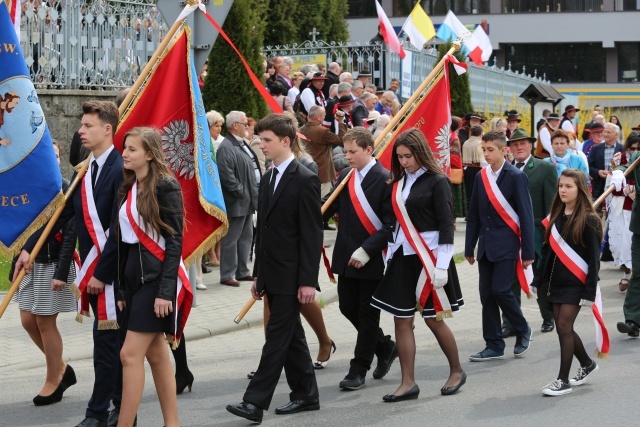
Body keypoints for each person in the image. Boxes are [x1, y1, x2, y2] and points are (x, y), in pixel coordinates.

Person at [15, 101, 125, 427]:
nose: (81, 130)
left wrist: (101, 276)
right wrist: (29, 250)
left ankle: (105, 413)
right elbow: (64, 215)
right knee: (113, 349)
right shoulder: (87, 169)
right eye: (81, 125)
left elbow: (121, 231)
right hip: (100, 275)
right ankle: (116, 410)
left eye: (88, 125)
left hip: (115, 276)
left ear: (107, 129)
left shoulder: (120, 170)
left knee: (123, 350)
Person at [226, 114, 323, 424]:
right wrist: (259, 275)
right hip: (273, 273)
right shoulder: (268, 177)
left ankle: (254, 402)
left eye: (266, 140)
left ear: (286, 140)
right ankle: (306, 394)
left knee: (277, 336)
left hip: (294, 275)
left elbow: (311, 235)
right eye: (260, 139)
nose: (261, 145)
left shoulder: (305, 178)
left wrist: (308, 280)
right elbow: (264, 233)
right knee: (291, 336)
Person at [371, 129, 465, 402]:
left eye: (408, 156)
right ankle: (408, 382)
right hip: (403, 256)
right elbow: (395, 222)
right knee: (401, 320)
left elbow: (447, 225)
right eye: (399, 157)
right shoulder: (397, 183)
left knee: (434, 320)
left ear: (420, 152)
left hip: (431, 259)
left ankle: (457, 371)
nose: (403, 162)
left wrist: (443, 265)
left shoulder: (437, 181)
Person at [116, 127, 190, 427]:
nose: (125, 153)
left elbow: (174, 242)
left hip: (155, 276)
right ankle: (172, 423)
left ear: (149, 153)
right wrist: (120, 288)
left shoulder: (165, 186)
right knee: (157, 356)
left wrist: (165, 290)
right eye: (125, 148)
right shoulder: (129, 186)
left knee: (129, 355)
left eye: (132, 149)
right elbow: (122, 242)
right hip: (133, 275)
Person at [322, 128, 397, 391]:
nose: (348, 156)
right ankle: (385, 346)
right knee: (347, 308)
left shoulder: (386, 179)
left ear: (368, 149)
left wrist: (368, 250)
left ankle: (359, 368)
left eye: (353, 151)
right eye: (346, 151)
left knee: (367, 314)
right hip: (345, 255)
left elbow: (391, 225)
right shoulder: (345, 176)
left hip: (372, 258)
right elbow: (328, 206)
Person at [12, 140, 77, 406]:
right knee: (28, 321)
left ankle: (54, 380)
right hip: (29, 264)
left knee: (44, 322)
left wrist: (61, 272)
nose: (53, 159)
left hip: (52, 262)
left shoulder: (62, 189)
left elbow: (68, 231)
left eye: (57, 155)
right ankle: (62, 367)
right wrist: (20, 255)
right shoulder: (26, 189)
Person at [465, 131, 534, 362]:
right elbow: (473, 214)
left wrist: (528, 251)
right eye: (483, 150)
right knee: (486, 295)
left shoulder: (515, 176)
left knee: (501, 290)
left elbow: (526, 215)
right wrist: (468, 247)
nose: (485, 154)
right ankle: (493, 344)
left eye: (490, 150)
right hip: (485, 246)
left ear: (503, 150)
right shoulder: (480, 177)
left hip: (507, 244)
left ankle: (522, 328)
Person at [535, 169, 601, 396]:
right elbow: (548, 252)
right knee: (565, 329)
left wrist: (590, 292)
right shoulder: (555, 216)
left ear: (579, 190)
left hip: (577, 283)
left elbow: (593, 260)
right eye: (561, 186)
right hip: (557, 283)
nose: (563, 190)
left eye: (568, 186)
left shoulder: (590, 220)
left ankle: (562, 380)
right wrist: (538, 279)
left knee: (563, 326)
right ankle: (587, 364)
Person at [501, 129, 557, 336]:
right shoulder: (504, 169)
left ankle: (548, 316)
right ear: (509, 148)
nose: (519, 147)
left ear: (531, 145)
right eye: (515, 144)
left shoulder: (544, 168)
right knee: (509, 278)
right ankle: (511, 322)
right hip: (509, 233)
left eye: (523, 143)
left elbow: (551, 205)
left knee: (540, 276)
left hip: (536, 232)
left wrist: (547, 233)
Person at [216, 111, 260, 287]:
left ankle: (243, 271)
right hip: (237, 201)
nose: (247, 127)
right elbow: (226, 175)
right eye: (245, 124)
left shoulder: (240, 144)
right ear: (235, 126)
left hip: (247, 200)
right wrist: (240, 192)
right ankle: (227, 274)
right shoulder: (227, 147)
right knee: (231, 239)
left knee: (246, 237)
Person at [609, 134, 640, 291]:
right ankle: (627, 273)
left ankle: (634, 275)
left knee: (633, 244)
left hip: (636, 210)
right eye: (632, 148)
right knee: (623, 244)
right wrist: (626, 190)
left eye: (638, 149)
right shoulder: (618, 161)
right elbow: (613, 188)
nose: (635, 152)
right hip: (623, 210)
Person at [616, 141, 640, 337]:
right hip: (639, 227)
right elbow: (626, 165)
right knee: (638, 273)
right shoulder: (637, 158)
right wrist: (619, 171)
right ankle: (632, 321)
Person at [588, 123, 623, 200]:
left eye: (608, 132)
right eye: (605, 132)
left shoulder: (622, 149)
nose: (605, 134)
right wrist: (598, 172)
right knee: (597, 210)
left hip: (616, 188)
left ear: (616, 134)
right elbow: (589, 167)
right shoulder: (595, 149)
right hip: (599, 188)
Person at [462, 124, 484, 212]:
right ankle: (475, 211)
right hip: (478, 169)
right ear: (480, 133)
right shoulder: (480, 143)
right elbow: (482, 159)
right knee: (477, 191)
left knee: (469, 190)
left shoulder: (466, 143)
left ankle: (468, 212)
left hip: (467, 169)